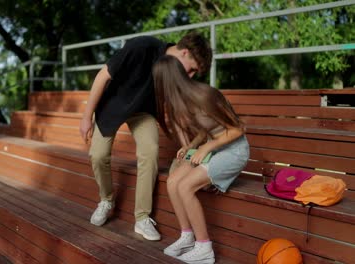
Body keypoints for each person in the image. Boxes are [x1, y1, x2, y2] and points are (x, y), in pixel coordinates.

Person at [79, 32, 212, 241]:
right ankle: (106, 200)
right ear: (184, 52)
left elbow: (173, 110)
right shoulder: (142, 46)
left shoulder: (174, 73)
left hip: (142, 112)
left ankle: (142, 217)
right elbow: (102, 76)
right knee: (98, 155)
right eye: (193, 68)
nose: (191, 75)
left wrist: (186, 146)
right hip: (113, 106)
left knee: (150, 150)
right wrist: (87, 117)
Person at [152, 55, 249, 263]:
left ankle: (204, 248)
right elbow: (208, 129)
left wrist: (207, 147)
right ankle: (187, 236)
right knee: (173, 182)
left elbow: (238, 129)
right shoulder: (183, 103)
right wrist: (191, 145)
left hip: (234, 151)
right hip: (213, 149)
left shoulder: (205, 95)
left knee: (185, 186)